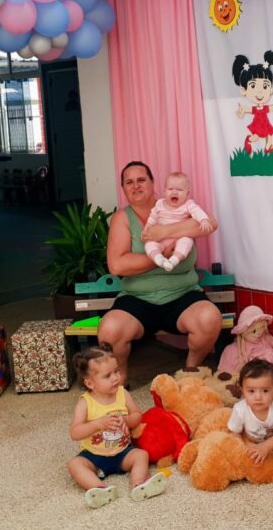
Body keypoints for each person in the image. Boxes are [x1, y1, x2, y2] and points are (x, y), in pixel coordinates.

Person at [98, 161, 221, 383]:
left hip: (183, 293)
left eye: (141, 180)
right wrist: (160, 256)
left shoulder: (176, 204)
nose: (136, 186)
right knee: (109, 330)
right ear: (123, 188)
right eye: (129, 182)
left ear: (153, 182)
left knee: (209, 318)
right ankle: (120, 379)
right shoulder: (122, 218)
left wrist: (163, 231)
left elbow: (210, 223)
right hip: (137, 297)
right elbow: (117, 265)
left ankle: (190, 372)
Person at [66, 343, 170, 508]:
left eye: (116, 371)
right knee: (74, 465)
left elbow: (137, 416)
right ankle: (99, 489)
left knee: (141, 455)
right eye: (107, 375)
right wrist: (97, 424)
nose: (115, 377)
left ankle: (138, 485)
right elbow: (75, 432)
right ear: (90, 384)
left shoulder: (122, 393)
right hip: (94, 456)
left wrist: (126, 420)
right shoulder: (85, 403)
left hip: (123, 453)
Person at [227, 358, 273, 464]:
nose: (258, 397)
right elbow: (234, 433)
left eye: (265, 391)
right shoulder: (240, 409)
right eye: (251, 391)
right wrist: (245, 447)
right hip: (255, 443)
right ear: (242, 390)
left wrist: (265, 447)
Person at [143, 171, 212, 272]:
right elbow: (152, 217)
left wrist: (204, 220)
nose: (174, 192)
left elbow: (197, 211)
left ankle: (173, 260)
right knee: (149, 244)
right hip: (162, 239)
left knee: (187, 241)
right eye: (170, 189)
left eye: (179, 189)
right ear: (164, 191)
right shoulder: (159, 204)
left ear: (187, 194)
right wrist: (146, 229)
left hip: (180, 237)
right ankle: (158, 258)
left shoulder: (188, 204)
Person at [233, 51, 273, 155]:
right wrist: (242, 110)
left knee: (269, 136)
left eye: (265, 86)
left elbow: (271, 107)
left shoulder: (264, 108)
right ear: (244, 90)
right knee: (255, 137)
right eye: (253, 86)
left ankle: (268, 148)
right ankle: (248, 140)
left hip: (265, 124)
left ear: (270, 90)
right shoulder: (256, 109)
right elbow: (248, 109)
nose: (260, 92)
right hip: (258, 125)